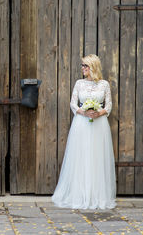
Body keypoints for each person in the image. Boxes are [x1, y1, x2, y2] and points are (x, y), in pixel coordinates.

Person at [52, 54, 116, 209]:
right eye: (82, 66)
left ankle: (97, 195)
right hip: (81, 123)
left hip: (99, 124)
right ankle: (79, 193)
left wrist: (99, 113)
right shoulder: (79, 83)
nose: (83, 68)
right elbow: (73, 103)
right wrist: (83, 111)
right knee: (81, 156)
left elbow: (108, 105)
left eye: (85, 66)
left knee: (97, 158)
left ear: (93, 67)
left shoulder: (104, 84)